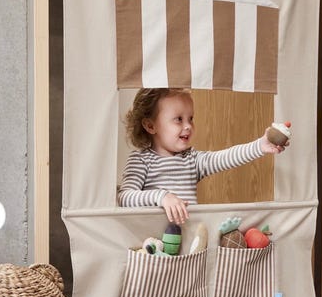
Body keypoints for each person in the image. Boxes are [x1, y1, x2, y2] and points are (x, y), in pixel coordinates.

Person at [117, 88, 288, 224]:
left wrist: (260, 145)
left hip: (189, 243)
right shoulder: (140, 161)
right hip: (155, 246)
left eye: (190, 118)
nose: (188, 126)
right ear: (150, 126)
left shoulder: (192, 160)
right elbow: (125, 197)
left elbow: (225, 158)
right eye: (178, 119)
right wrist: (161, 197)